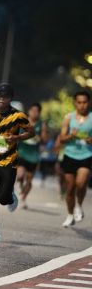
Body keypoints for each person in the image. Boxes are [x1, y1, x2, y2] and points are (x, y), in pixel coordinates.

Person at [0, 83, 33, 242]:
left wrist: (17, 137)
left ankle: (10, 196)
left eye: (5, 96)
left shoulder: (18, 116)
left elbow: (31, 132)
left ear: (10, 98)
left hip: (10, 161)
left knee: (2, 198)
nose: (1, 99)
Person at [59, 90, 92, 227]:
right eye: (79, 102)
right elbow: (61, 139)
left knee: (81, 184)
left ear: (89, 103)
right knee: (71, 188)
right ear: (75, 103)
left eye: (85, 102)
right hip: (70, 155)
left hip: (87, 155)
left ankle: (79, 205)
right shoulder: (69, 118)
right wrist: (70, 136)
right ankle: (70, 215)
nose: (82, 105)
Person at [16, 103, 48, 208]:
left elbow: (45, 140)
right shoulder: (22, 121)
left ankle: (23, 198)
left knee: (29, 180)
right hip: (21, 152)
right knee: (20, 175)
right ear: (29, 111)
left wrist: (40, 137)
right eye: (32, 110)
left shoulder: (41, 125)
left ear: (39, 113)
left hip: (33, 155)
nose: (34, 113)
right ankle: (19, 186)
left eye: (37, 111)